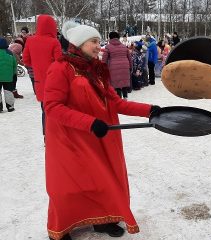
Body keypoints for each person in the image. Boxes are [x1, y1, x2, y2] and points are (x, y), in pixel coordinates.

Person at [45, 21, 160, 240]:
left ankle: (103, 220)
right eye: (94, 42)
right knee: (68, 186)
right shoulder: (60, 68)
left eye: (99, 41)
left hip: (99, 137)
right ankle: (61, 229)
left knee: (102, 180)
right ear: (79, 44)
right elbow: (52, 107)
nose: (100, 46)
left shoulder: (96, 70)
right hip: (70, 138)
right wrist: (88, 122)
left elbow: (115, 103)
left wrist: (149, 110)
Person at [22, 14, 62, 137]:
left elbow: (26, 60)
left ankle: (47, 136)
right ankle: (56, 136)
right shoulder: (54, 42)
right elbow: (59, 61)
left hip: (39, 80)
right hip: (54, 80)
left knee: (45, 109)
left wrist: (37, 65)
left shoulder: (30, 40)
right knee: (56, 108)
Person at [102, 31, 132, 99]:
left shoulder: (108, 47)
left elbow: (104, 60)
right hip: (125, 66)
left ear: (110, 38)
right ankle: (125, 98)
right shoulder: (124, 47)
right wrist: (131, 67)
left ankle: (119, 100)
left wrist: (103, 69)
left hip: (113, 68)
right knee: (124, 83)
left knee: (116, 84)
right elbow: (129, 58)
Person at [0, 37, 17, 112]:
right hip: (8, 77)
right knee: (8, 92)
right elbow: (14, 64)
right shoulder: (10, 53)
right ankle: (10, 107)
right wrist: (14, 74)